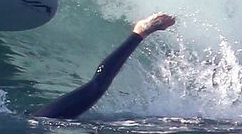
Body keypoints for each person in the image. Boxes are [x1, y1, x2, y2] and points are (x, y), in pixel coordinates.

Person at [32, 12, 176, 119]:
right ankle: (139, 33)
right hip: (40, 122)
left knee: (97, 85)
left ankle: (139, 32)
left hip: (39, 120)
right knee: (97, 85)